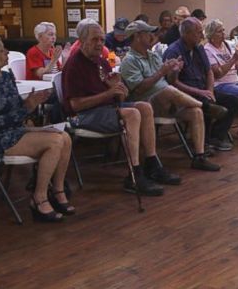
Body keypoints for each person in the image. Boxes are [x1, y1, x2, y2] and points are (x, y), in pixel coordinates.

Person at [60, 19, 176, 196]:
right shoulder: (75, 65)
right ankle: (134, 174)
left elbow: (119, 95)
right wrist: (108, 94)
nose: (100, 43)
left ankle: (152, 163)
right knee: (132, 114)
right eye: (94, 40)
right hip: (83, 115)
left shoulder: (101, 62)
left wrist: (119, 89)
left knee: (144, 107)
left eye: (101, 39)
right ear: (82, 41)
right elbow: (75, 104)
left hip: (106, 109)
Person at [0, 34, 74, 223]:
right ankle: (39, 198)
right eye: (1, 50)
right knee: (55, 142)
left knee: (64, 136)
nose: (7, 52)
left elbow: (17, 110)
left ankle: (58, 191)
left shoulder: (6, 76)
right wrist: (27, 107)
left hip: (14, 130)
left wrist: (31, 103)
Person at [119, 20, 220, 171]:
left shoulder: (152, 56)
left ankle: (199, 156)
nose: (152, 36)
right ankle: (205, 106)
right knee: (167, 91)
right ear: (137, 37)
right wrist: (162, 71)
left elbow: (170, 80)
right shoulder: (129, 61)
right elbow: (139, 89)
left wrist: (174, 70)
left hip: (169, 101)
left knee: (195, 112)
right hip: (148, 104)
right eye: (148, 33)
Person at [164, 17, 237, 151]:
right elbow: (172, 83)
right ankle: (202, 141)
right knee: (206, 104)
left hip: (203, 89)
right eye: (198, 32)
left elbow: (209, 71)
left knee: (233, 100)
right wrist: (201, 92)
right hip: (185, 93)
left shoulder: (199, 48)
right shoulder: (174, 51)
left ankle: (215, 137)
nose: (202, 35)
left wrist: (210, 90)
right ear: (186, 34)